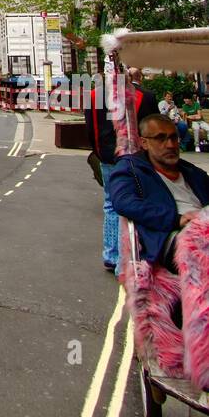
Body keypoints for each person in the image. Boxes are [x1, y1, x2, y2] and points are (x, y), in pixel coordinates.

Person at [109, 111, 209, 270]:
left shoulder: (191, 172)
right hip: (171, 237)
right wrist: (176, 219)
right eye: (160, 138)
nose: (170, 144)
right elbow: (124, 202)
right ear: (144, 143)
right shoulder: (131, 169)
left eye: (173, 137)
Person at [84, 79, 120, 273]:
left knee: (111, 204)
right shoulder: (140, 95)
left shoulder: (94, 95)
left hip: (106, 155)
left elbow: (90, 129)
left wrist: (98, 152)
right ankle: (124, 258)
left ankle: (111, 255)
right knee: (129, 204)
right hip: (131, 157)